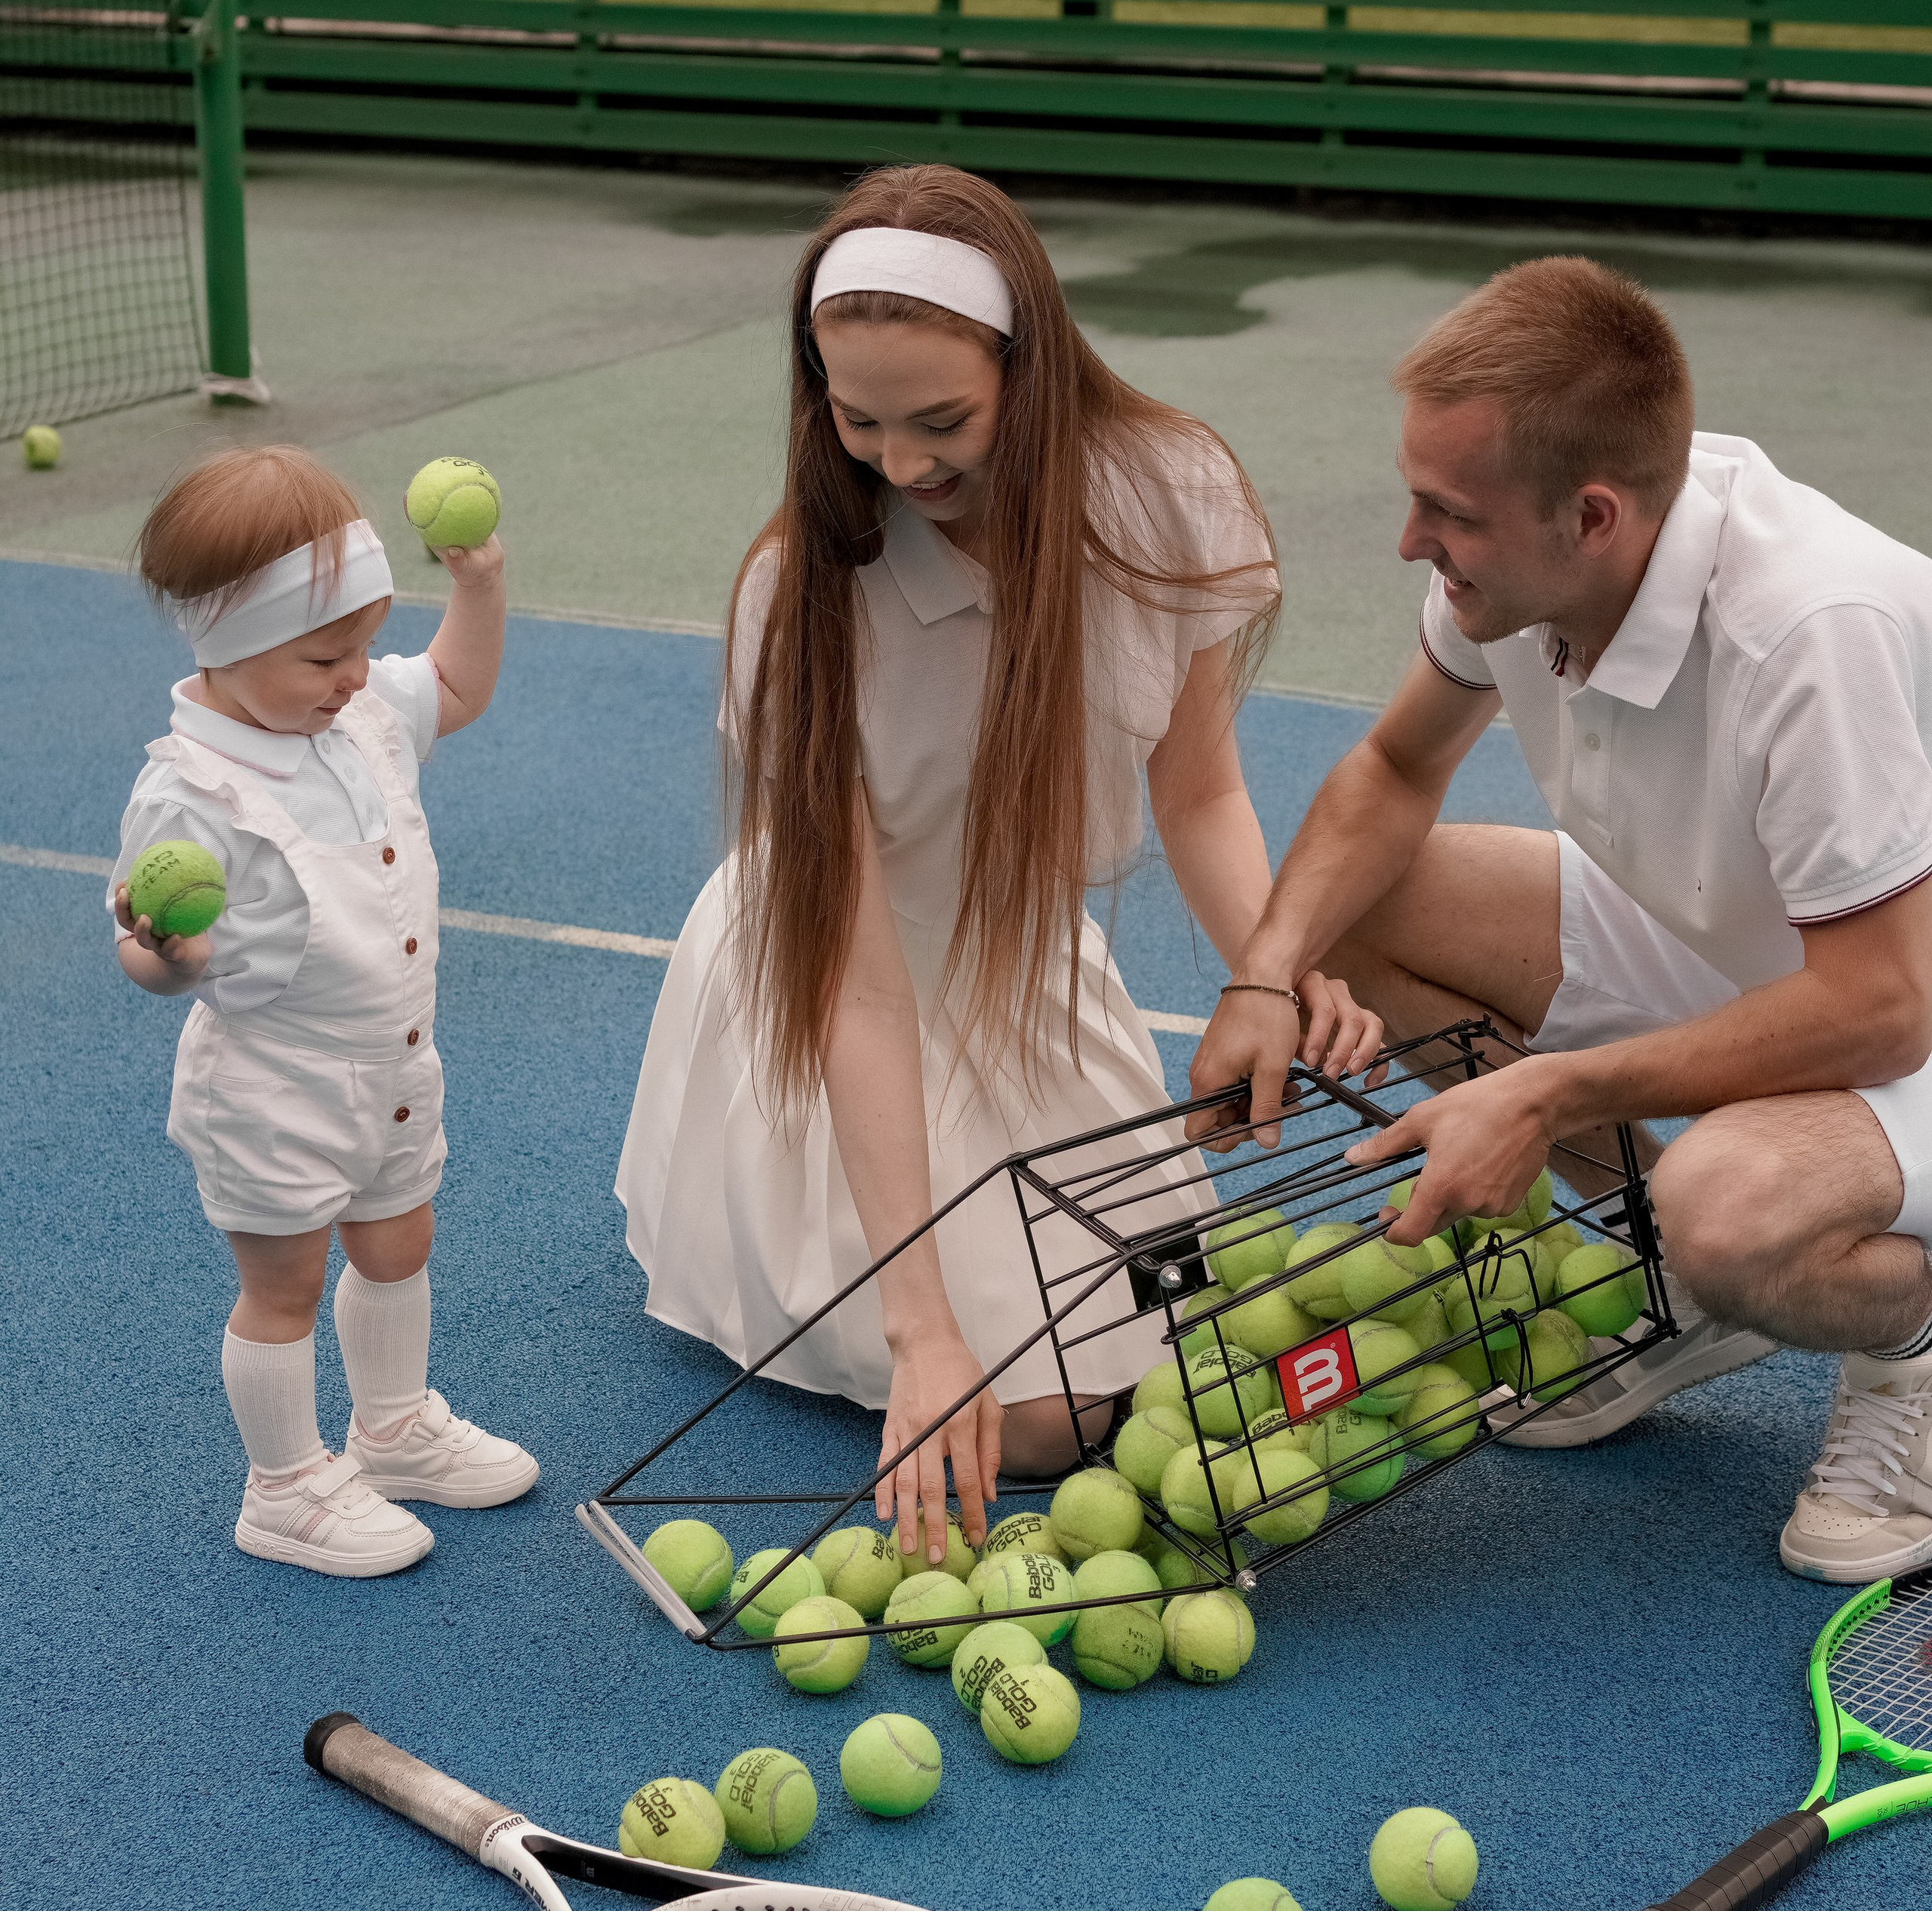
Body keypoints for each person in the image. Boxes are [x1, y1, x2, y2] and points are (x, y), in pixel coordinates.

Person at [617, 165, 1376, 1563]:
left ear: (1028, 367)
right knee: (1030, 1424)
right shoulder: (799, 597)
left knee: (1174, 1357)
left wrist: (1277, 971)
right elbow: (857, 997)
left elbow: (1198, 783)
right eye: (857, 422)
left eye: (943, 421)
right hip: (833, 1000)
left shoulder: (1168, 491)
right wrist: (921, 1333)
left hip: (1022, 975)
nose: (899, 468)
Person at [1188, 255, 1932, 1583]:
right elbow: (1394, 774)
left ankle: (1906, 1346)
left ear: (1591, 516)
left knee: (1728, 1206)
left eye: (1446, 514)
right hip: (1763, 939)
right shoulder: (1526, 573)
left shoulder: (1811, 630)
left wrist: (1540, 1099)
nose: (1413, 543)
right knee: (1363, 911)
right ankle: (1681, 1295)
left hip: (1901, 998)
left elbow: (1882, 1008)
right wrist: (1263, 973)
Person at [112, 445, 538, 1578]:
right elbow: (148, 963)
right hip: (274, 1084)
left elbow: (453, 686)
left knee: (400, 1239)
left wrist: (480, 586)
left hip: (393, 1062)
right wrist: (173, 956)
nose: (356, 674)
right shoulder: (188, 789)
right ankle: (286, 1488)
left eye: (359, 645)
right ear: (227, 642)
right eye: (324, 654)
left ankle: (391, 1430)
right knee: (285, 1282)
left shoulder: (351, 716)